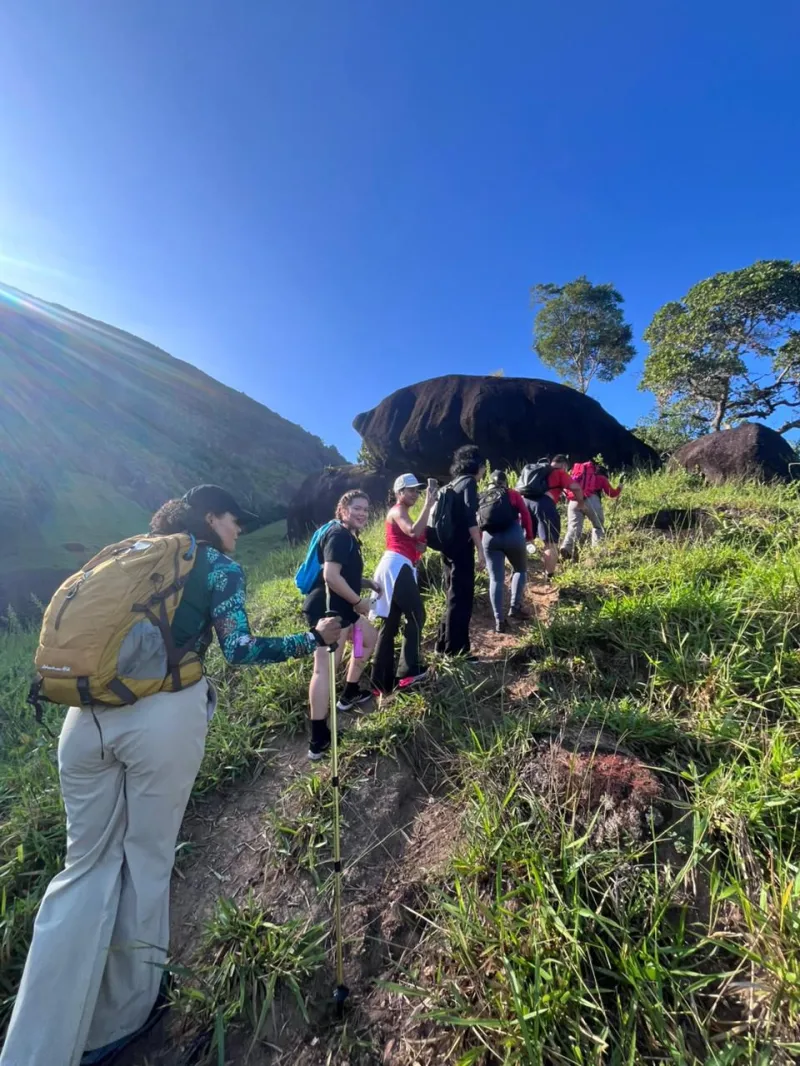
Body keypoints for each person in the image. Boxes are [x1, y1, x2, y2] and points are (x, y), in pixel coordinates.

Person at [1, 485, 341, 1066]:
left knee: (82, 869)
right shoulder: (217, 567)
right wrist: (311, 637)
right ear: (211, 519)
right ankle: (121, 1021)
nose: (238, 530)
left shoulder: (126, 556)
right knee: (146, 861)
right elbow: (238, 649)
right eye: (235, 520)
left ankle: (34, 1048)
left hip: (82, 722)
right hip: (161, 714)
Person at [303, 490, 379, 760]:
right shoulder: (337, 535)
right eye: (357, 508)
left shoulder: (346, 535)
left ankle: (348, 694)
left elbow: (343, 574)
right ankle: (318, 738)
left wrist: (366, 583)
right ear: (343, 509)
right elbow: (331, 576)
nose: (362, 513)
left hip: (344, 609)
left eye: (366, 509)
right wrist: (359, 601)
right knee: (323, 671)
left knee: (367, 639)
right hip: (329, 612)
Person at [371, 474, 437, 693]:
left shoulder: (404, 514)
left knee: (390, 624)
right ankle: (409, 671)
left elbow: (417, 543)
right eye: (410, 490)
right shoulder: (397, 510)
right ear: (399, 492)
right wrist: (428, 504)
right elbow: (412, 531)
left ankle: (380, 682)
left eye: (417, 491)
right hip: (396, 566)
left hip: (399, 566)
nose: (415, 494)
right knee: (417, 614)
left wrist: (420, 542)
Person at [434, 445, 487, 660]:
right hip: (461, 549)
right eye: (483, 466)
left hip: (447, 547)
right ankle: (457, 651)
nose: (483, 471)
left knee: (452, 595)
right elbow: (470, 519)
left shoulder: (451, 484)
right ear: (477, 465)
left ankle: (441, 644)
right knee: (462, 598)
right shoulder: (469, 483)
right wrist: (480, 551)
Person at [478, 470, 534, 633]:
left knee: (495, 579)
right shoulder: (513, 494)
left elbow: (478, 521)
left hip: (489, 539)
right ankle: (515, 607)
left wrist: (480, 546)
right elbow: (525, 514)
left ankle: (499, 621)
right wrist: (529, 536)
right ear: (505, 482)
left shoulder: (482, 497)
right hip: (513, 535)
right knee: (520, 570)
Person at [524, 455, 587, 580]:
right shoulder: (559, 473)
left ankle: (522, 573)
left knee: (526, 539)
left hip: (524, 502)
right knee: (550, 543)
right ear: (564, 465)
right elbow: (576, 487)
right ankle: (549, 576)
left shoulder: (536, 471)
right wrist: (581, 503)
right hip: (544, 504)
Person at [560, 462, 622, 559]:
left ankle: (566, 547)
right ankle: (597, 551)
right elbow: (611, 493)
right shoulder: (601, 478)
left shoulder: (578, 476)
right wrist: (619, 488)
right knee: (598, 526)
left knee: (573, 527)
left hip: (573, 501)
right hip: (591, 500)